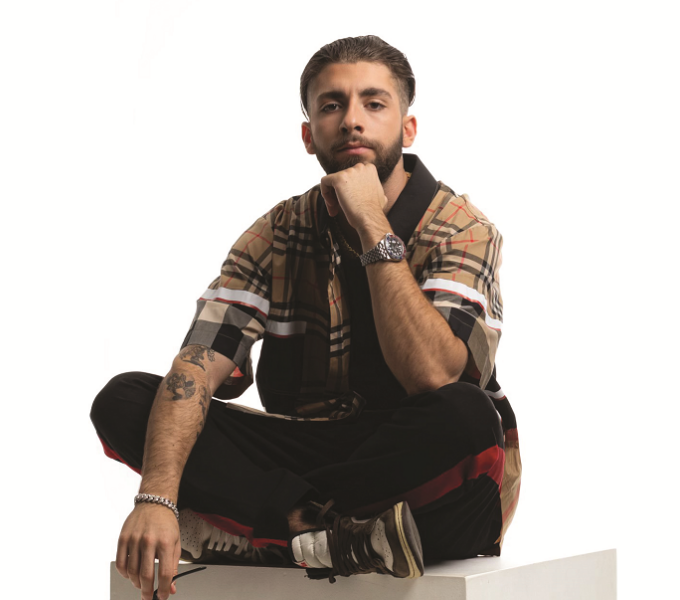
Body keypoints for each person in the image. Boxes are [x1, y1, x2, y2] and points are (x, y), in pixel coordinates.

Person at [90, 35, 521, 600]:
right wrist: (157, 498)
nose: (352, 121)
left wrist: (370, 222)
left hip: (419, 466)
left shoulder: (463, 229)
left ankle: (265, 531)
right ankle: (319, 533)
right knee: (126, 400)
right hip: (310, 455)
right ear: (309, 134)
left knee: (466, 414)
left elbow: (433, 375)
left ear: (408, 127)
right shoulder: (278, 232)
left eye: (374, 103)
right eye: (331, 105)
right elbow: (197, 366)